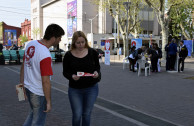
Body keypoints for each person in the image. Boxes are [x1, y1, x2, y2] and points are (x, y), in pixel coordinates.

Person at [20, 24, 65, 126]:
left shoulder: (31, 44)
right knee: (38, 122)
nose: (60, 40)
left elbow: (24, 65)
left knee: (32, 115)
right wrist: (48, 101)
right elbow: (46, 81)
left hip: (28, 88)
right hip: (38, 93)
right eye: (59, 38)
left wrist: (22, 83)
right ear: (53, 38)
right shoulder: (45, 54)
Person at [63, 31, 101, 126]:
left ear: (86, 41)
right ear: (73, 43)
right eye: (78, 43)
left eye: (82, 42)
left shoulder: (92, 52)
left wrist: (96, 73)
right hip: (75, 90)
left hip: (91, 88)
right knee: (77, 114)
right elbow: (65, 72)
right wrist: (72, 76)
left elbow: (97, 67)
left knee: (86, 114)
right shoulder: (68, 55)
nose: (81, 45)